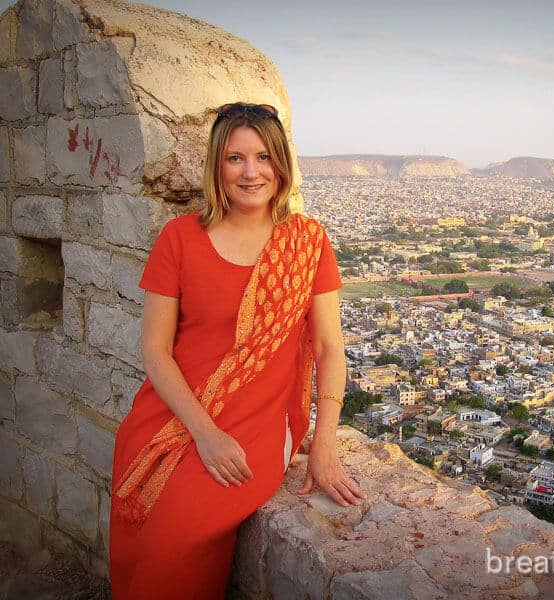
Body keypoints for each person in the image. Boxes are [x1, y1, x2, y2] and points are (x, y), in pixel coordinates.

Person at [109, 102, 366, 599]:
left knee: (174, 534)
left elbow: (332, 348)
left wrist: (325, 444)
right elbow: (156, 351)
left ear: (282, 166)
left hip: (259, 421)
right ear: (216, 166)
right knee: (138, 537)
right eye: (235, 158)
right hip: (173, 415)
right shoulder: (180, 238)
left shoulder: (306, 242)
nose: (251, 173)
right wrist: (204, 433)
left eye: (264, 157)